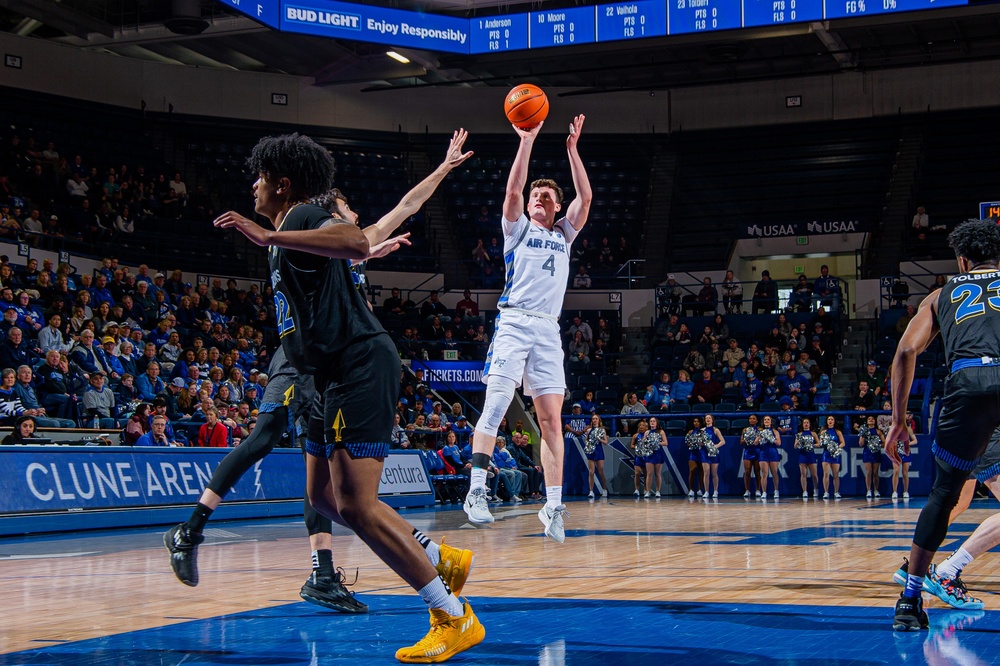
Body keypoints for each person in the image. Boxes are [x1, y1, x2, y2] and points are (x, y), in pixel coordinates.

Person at [210, 130, 483, 660]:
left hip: (356, 364)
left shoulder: (300, 220)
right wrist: (444, 168)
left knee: (356, 505)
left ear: (283, 184)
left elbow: (358, 240)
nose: (253, 187)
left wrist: (269, 239)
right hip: (321, 375)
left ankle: (452, 614)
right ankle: (435, 554)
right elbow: (399, 211)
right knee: (322, 499)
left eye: (260, 178)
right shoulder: (297, 231)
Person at [462, 114, 591, 544]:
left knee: (552, 422)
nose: (540, 198)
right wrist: (528, 140)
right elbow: (514, 189)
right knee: (497, 401)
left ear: (556, 206)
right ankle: (476, 491)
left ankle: (553, 506)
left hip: (548, 330)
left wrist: (572, 151)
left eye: (548, 197)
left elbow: (585, 199)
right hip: (515, 320)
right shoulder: (516, 229)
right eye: (538, 194)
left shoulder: (564, 235)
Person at [819, 415, 847, 499]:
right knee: (826, 473)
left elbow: (843, 443)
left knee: (836, 474)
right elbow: (821, 443)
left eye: (832, 419)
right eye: (828, 419)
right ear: (827, 421)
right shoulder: (823, 432)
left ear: (834, 421)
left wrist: (836, 448)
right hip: (826, 454)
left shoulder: (838, 432)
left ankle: (836, 492)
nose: (830, 421)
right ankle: (826, 492)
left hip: (835, 455)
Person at [756, 414, 782, 499]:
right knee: (764, 473)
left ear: (771, 422)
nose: (766, 421)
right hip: (763, 453)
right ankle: (764, 492)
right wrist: (760, 436)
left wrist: (771, 439)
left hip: (773, 452)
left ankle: (776, 490)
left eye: (768, 420)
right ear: (763, 422)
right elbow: (755, 443)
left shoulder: (775, 432)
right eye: (765, 420)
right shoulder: (761, 431)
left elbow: (779, 443)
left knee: (774, 472)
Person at [583, 413, 608, 499]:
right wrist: (588, 444)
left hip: (599, 451)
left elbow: (606, 442)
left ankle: (604, 489)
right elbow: (586, 440)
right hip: (591, 451)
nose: (594, 420)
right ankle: (591, 491)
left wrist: (599, 439)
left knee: (600, 472)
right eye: (593, 419)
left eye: (596, 419)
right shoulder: (589, 430)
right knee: (591, 472)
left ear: (599, 420)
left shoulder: (602, 430)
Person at [858, 414, 883, 499]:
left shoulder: (878, 431)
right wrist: (862, 436)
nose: (871, 420)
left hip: (876, 452)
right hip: (867, 452)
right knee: (868, 472)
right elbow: (860, 444)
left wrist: (877, 445)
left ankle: (876, 490)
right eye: (869, 419)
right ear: (867, 421)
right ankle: (868, 490)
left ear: (875, 421)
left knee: (875, 472)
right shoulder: (864, 431)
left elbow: (885, 442)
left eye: (872, 419)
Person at [701, 414, 725, 499]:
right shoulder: (702, 430)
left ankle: (715, 491)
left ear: (712, 420)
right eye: (706, 418)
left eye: (709, 418)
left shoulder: (715, 430)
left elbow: (723, 441)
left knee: (714, 473)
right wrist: (701, 444)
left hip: (713, 453)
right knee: (706, 472)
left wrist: (715, 446)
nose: (708, 419)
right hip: (704, 453)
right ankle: (706, 491)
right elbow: (700, 443)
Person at [794, 417, 819, 498]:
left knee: (814, 474)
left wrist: (811, 445)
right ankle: (804, 491)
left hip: (811, 455)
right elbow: (795, 446)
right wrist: (798, 441)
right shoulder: (799, 434)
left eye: (807, 422)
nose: (806, 424)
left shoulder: (813, 434)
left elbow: (819, 444)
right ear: (802, 424)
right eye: (804, 422)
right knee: (803, 474)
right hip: (802, 455)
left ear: (810, 424)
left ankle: (816, 489)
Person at [643, 416, 667, 498]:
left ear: (656, 423)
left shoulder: (661, 432)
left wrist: (657, 443)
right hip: (649, 454)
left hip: (658, 454)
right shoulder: (647, 432)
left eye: (654, 421)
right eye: (651, 421)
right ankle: (648, 491)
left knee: (657, 473)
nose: (652, 422)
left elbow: (665, 443)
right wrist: (647, 443)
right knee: (649, 473)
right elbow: (643, 443)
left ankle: (657, 491)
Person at [740, 414, 761, 498]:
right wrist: (747, 438)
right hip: (748, 451)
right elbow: (741, 442)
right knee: (747, 471)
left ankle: (758, 490)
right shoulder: (745, 430)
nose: (752, 420)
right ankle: (747, 490)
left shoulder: (760, 430)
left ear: (756, 420)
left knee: (757, 471)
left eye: (753, 419)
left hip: (757, 451)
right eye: (750, 419)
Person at [630, 419, 652, 498]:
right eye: (640, 425)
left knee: (647, 474)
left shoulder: (649, 434)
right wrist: (637, 447)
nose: (641, 427)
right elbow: (631, 445)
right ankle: (636, 489)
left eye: (643, 425)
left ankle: (646, 489)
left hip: (646, 456)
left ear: (646, 427)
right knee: (637, 473)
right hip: (638, 456)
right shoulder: (636, 435)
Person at [684, 416, 705, 497]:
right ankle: (691, 490)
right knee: (692, 471)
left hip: (701, 453)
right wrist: (691, 444)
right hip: (693, 453)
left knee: (701, 472)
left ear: (700, 422)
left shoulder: (703, 432)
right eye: (694, 421)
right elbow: (686, 442)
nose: (696, 423)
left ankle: (700, 490)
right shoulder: (690, 432)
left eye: (698, 421)